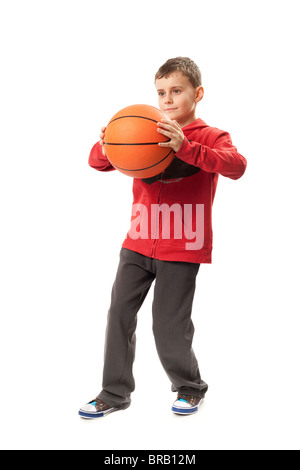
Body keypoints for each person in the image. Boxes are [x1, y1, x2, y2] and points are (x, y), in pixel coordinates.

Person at [78, 57, 247, 419]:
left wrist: (185, 147)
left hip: (182, 247)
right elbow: (98, 162)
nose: (167, 99)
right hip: (137, 242)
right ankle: (114, 393)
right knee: (119, 315)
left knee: (169, 324)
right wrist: (109, 140)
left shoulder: (211, 137)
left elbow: (237, 165)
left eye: (176, 91)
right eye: (160, 92)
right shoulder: (144, 129)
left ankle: (189, 387)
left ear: (197, 93)